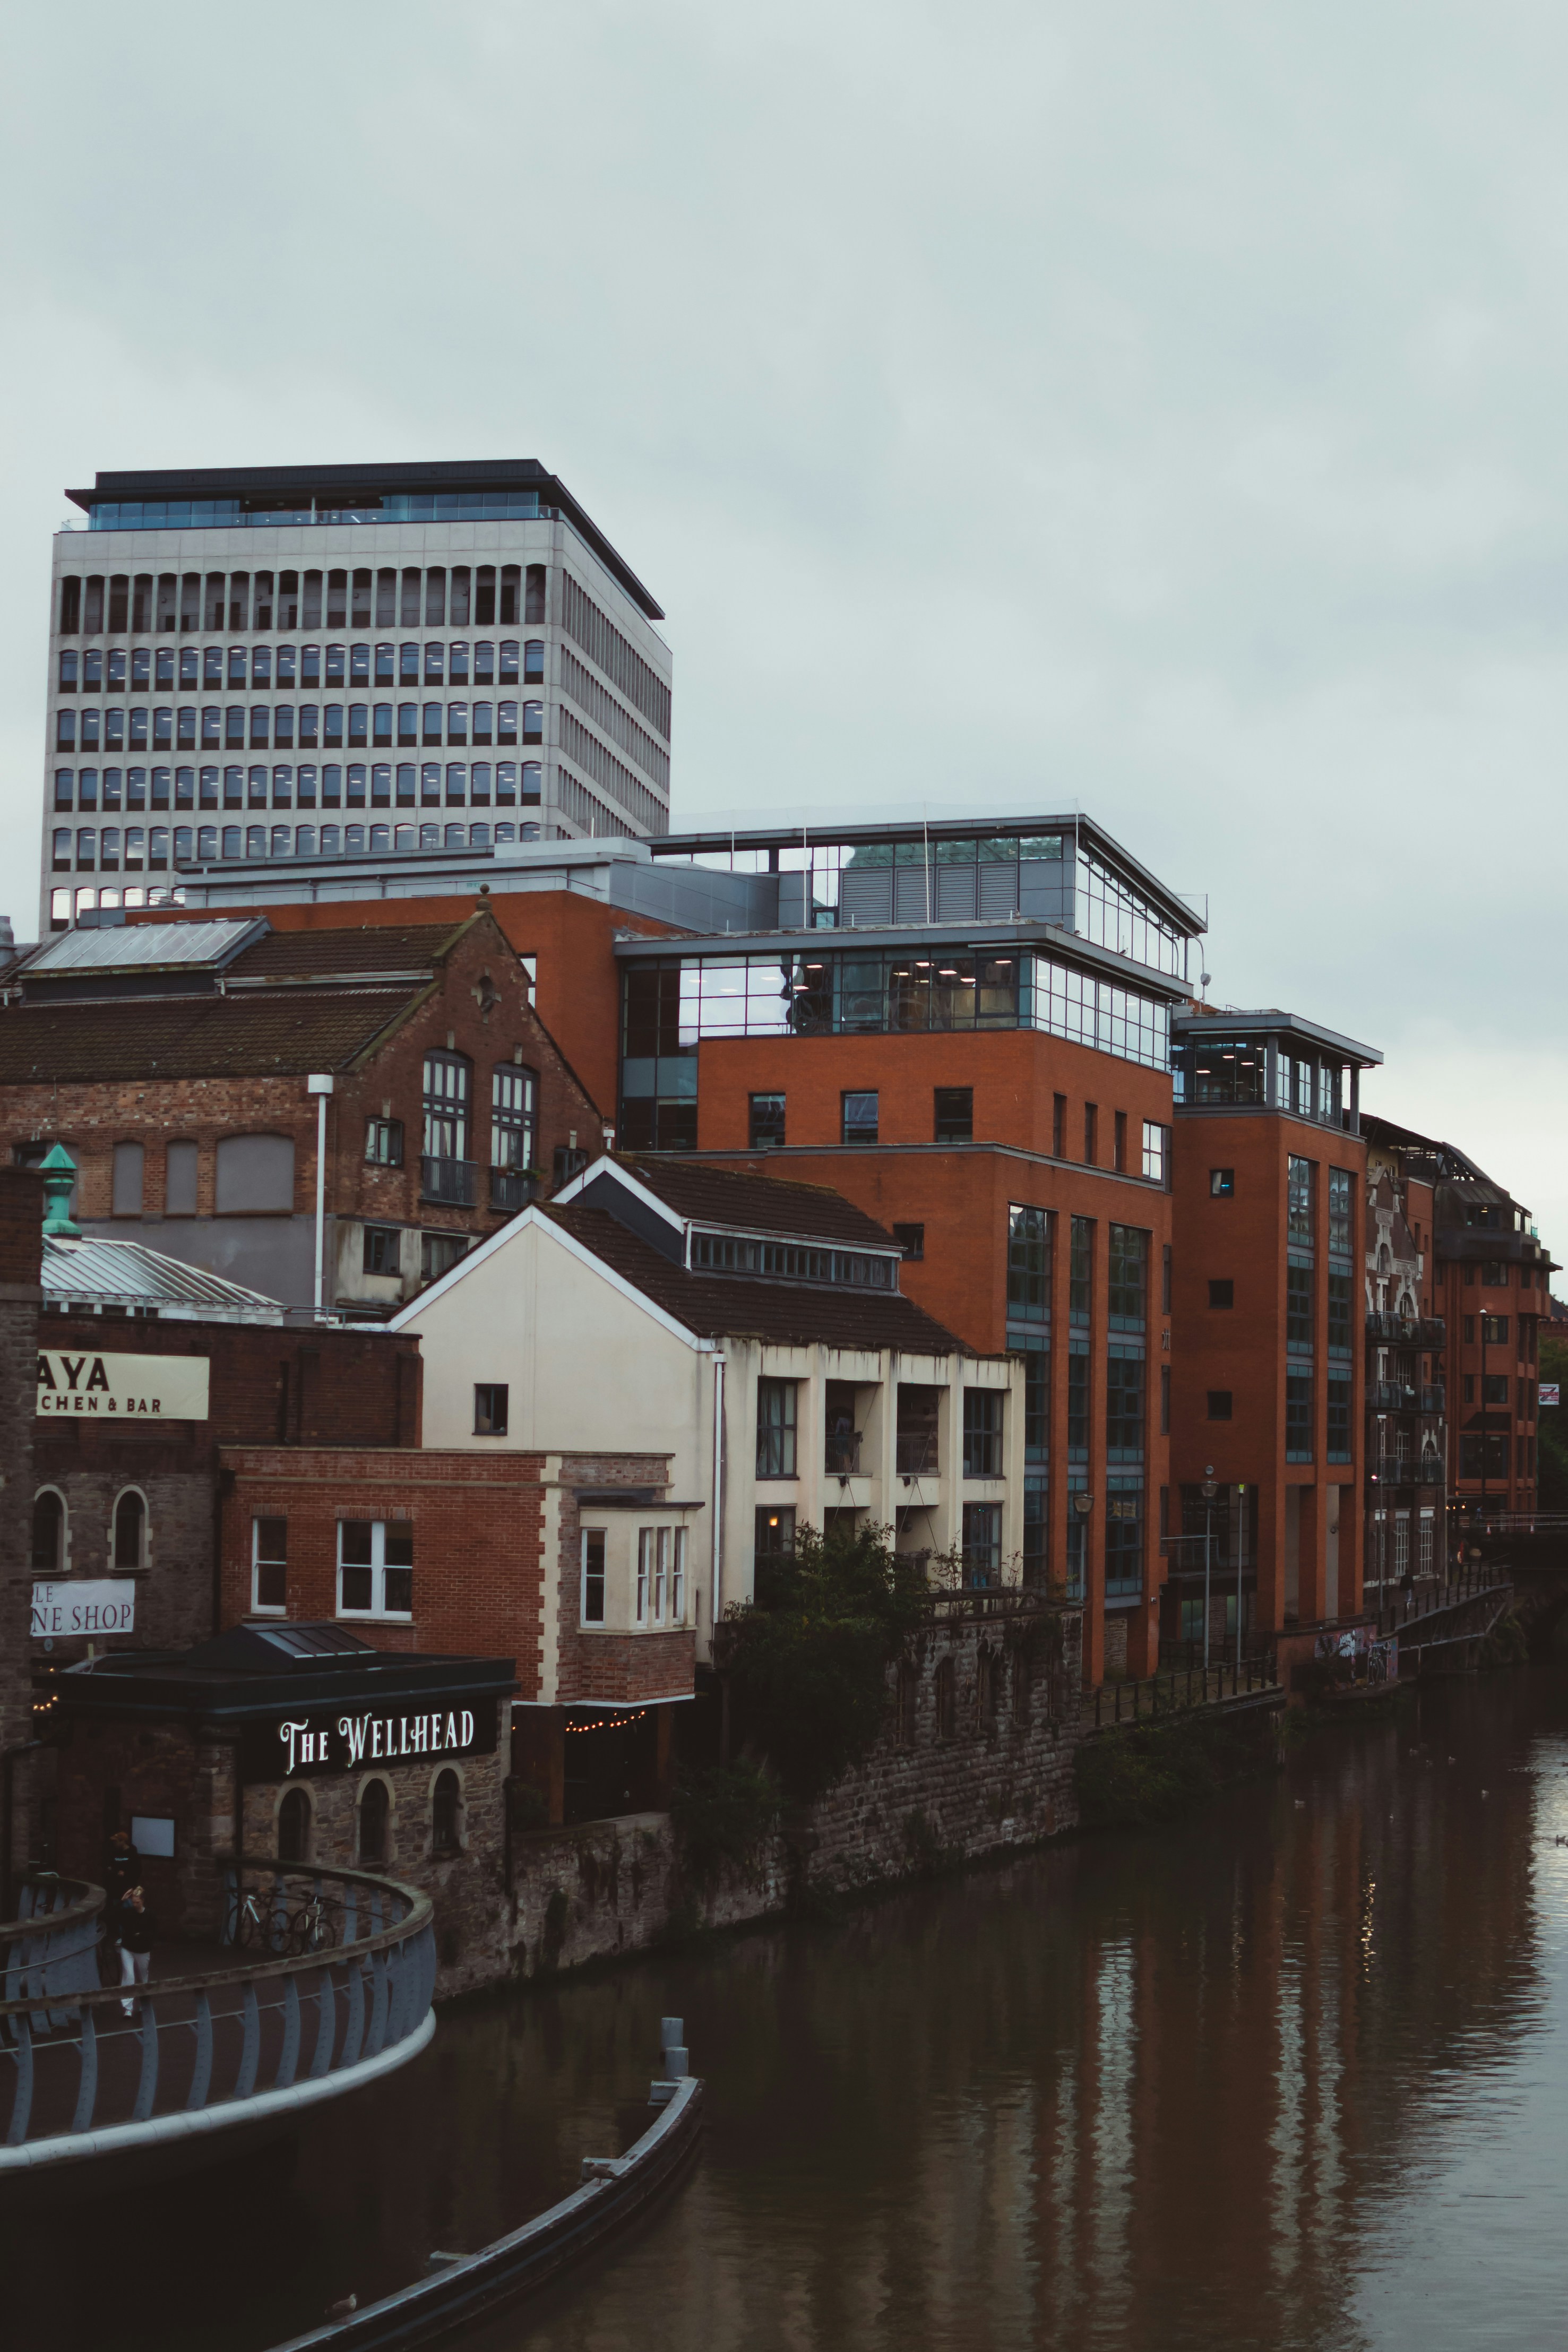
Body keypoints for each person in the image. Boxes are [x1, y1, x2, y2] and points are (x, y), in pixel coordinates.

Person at [117, 1885, 154, 2014]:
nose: (135, 1904)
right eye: (133, 1902)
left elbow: (153, 1932)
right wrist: (123, 1900)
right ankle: (128, 2008)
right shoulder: (129, 1912)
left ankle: (144, 2003)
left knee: (143, 1977)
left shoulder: (149, 1914)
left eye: (137, 1902)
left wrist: (142, 1935)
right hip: (128, 1948)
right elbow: (115, 1916)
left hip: (143, 1950)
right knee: (129, 1975)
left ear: (143, 1901)